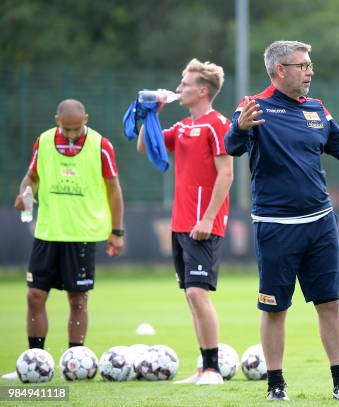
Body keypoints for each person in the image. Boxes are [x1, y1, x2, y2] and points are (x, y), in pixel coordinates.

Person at [225, 40, 339, 401]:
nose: (310, 71)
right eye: (302, 65)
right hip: (275, 227)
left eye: (310, 65)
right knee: (275, 308)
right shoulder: (254, 107)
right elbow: (231, 147)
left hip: (321, 225)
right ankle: (276, 385)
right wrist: (241, 129)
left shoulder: (316, 109)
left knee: (330, 305)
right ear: (280, 70)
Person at [4, 99, 124, 381]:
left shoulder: (100, 144)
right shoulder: (43, 141)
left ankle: (75, 361)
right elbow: (31, 177)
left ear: (86, 119)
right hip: (47, 232)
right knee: (35, 296)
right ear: (57, 119)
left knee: (78, 300)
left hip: (81, 235)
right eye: (66, 128)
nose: (72, 135)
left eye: (77, 128)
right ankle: (35, 361)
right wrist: (25, 194)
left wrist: (117, 232)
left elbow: (114, 190)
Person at [137, 59, 233, 385]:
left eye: (185, 83)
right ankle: (203, 368)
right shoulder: (180, 127)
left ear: (203, 90)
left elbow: (227, 173)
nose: (179, 88)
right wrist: (151, 113)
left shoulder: (217, 124)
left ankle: (213, 369)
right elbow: (144, 147)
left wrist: (208, 217)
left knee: (197, 293)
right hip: (181, 224)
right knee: (191, 296)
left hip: (203, 224)